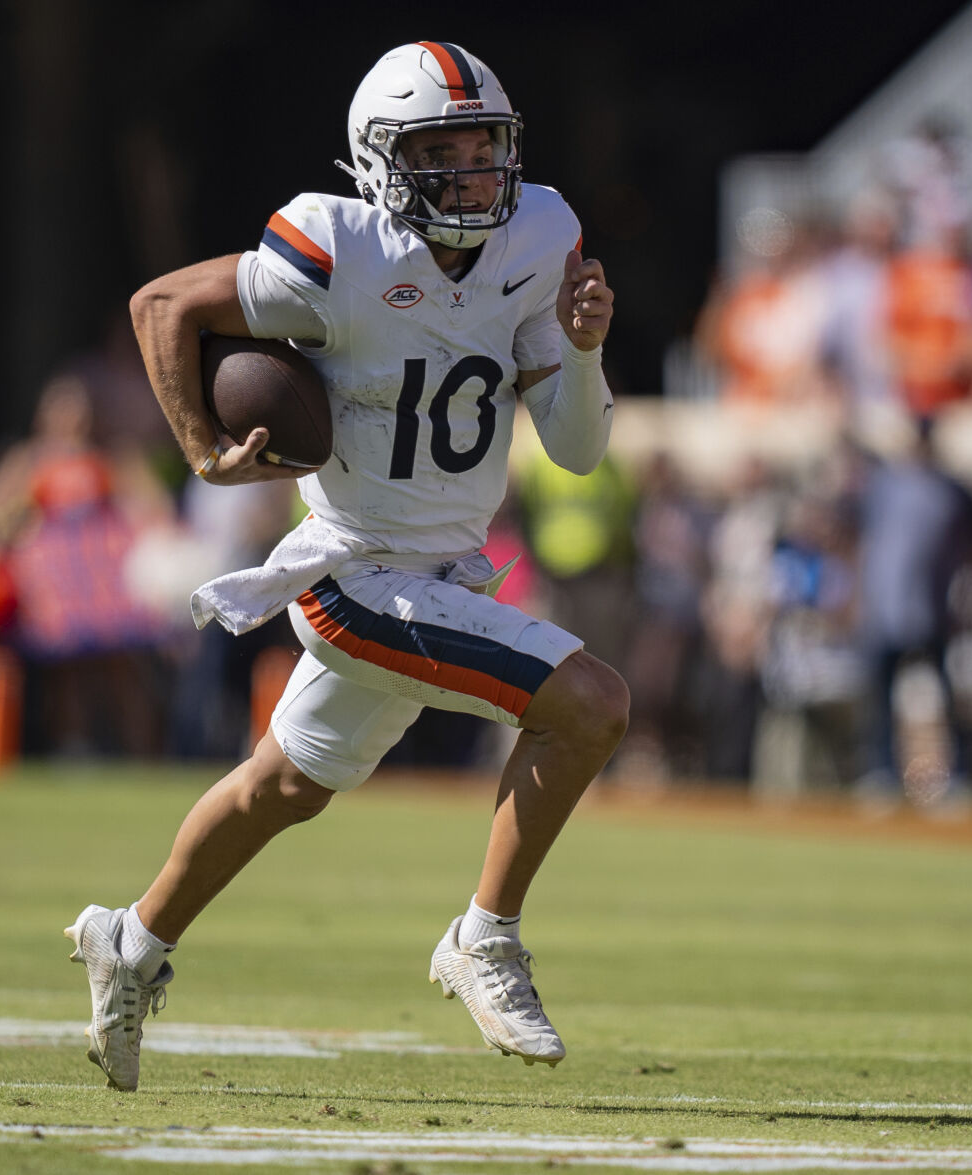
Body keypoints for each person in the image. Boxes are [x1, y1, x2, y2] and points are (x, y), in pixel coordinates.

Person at [64, 42, 627, 1091]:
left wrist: (583, 350)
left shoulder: (540, 232)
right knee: (589, 702)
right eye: (440, 149)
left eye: (481, 146)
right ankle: (483, 936)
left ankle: (129, 939)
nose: (468, 170)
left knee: (282, 785)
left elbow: (580, 447)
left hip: (447, 574)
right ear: (380, 161)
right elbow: (161, 307)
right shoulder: (333, 248)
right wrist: (196, 445)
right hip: (352, 575)